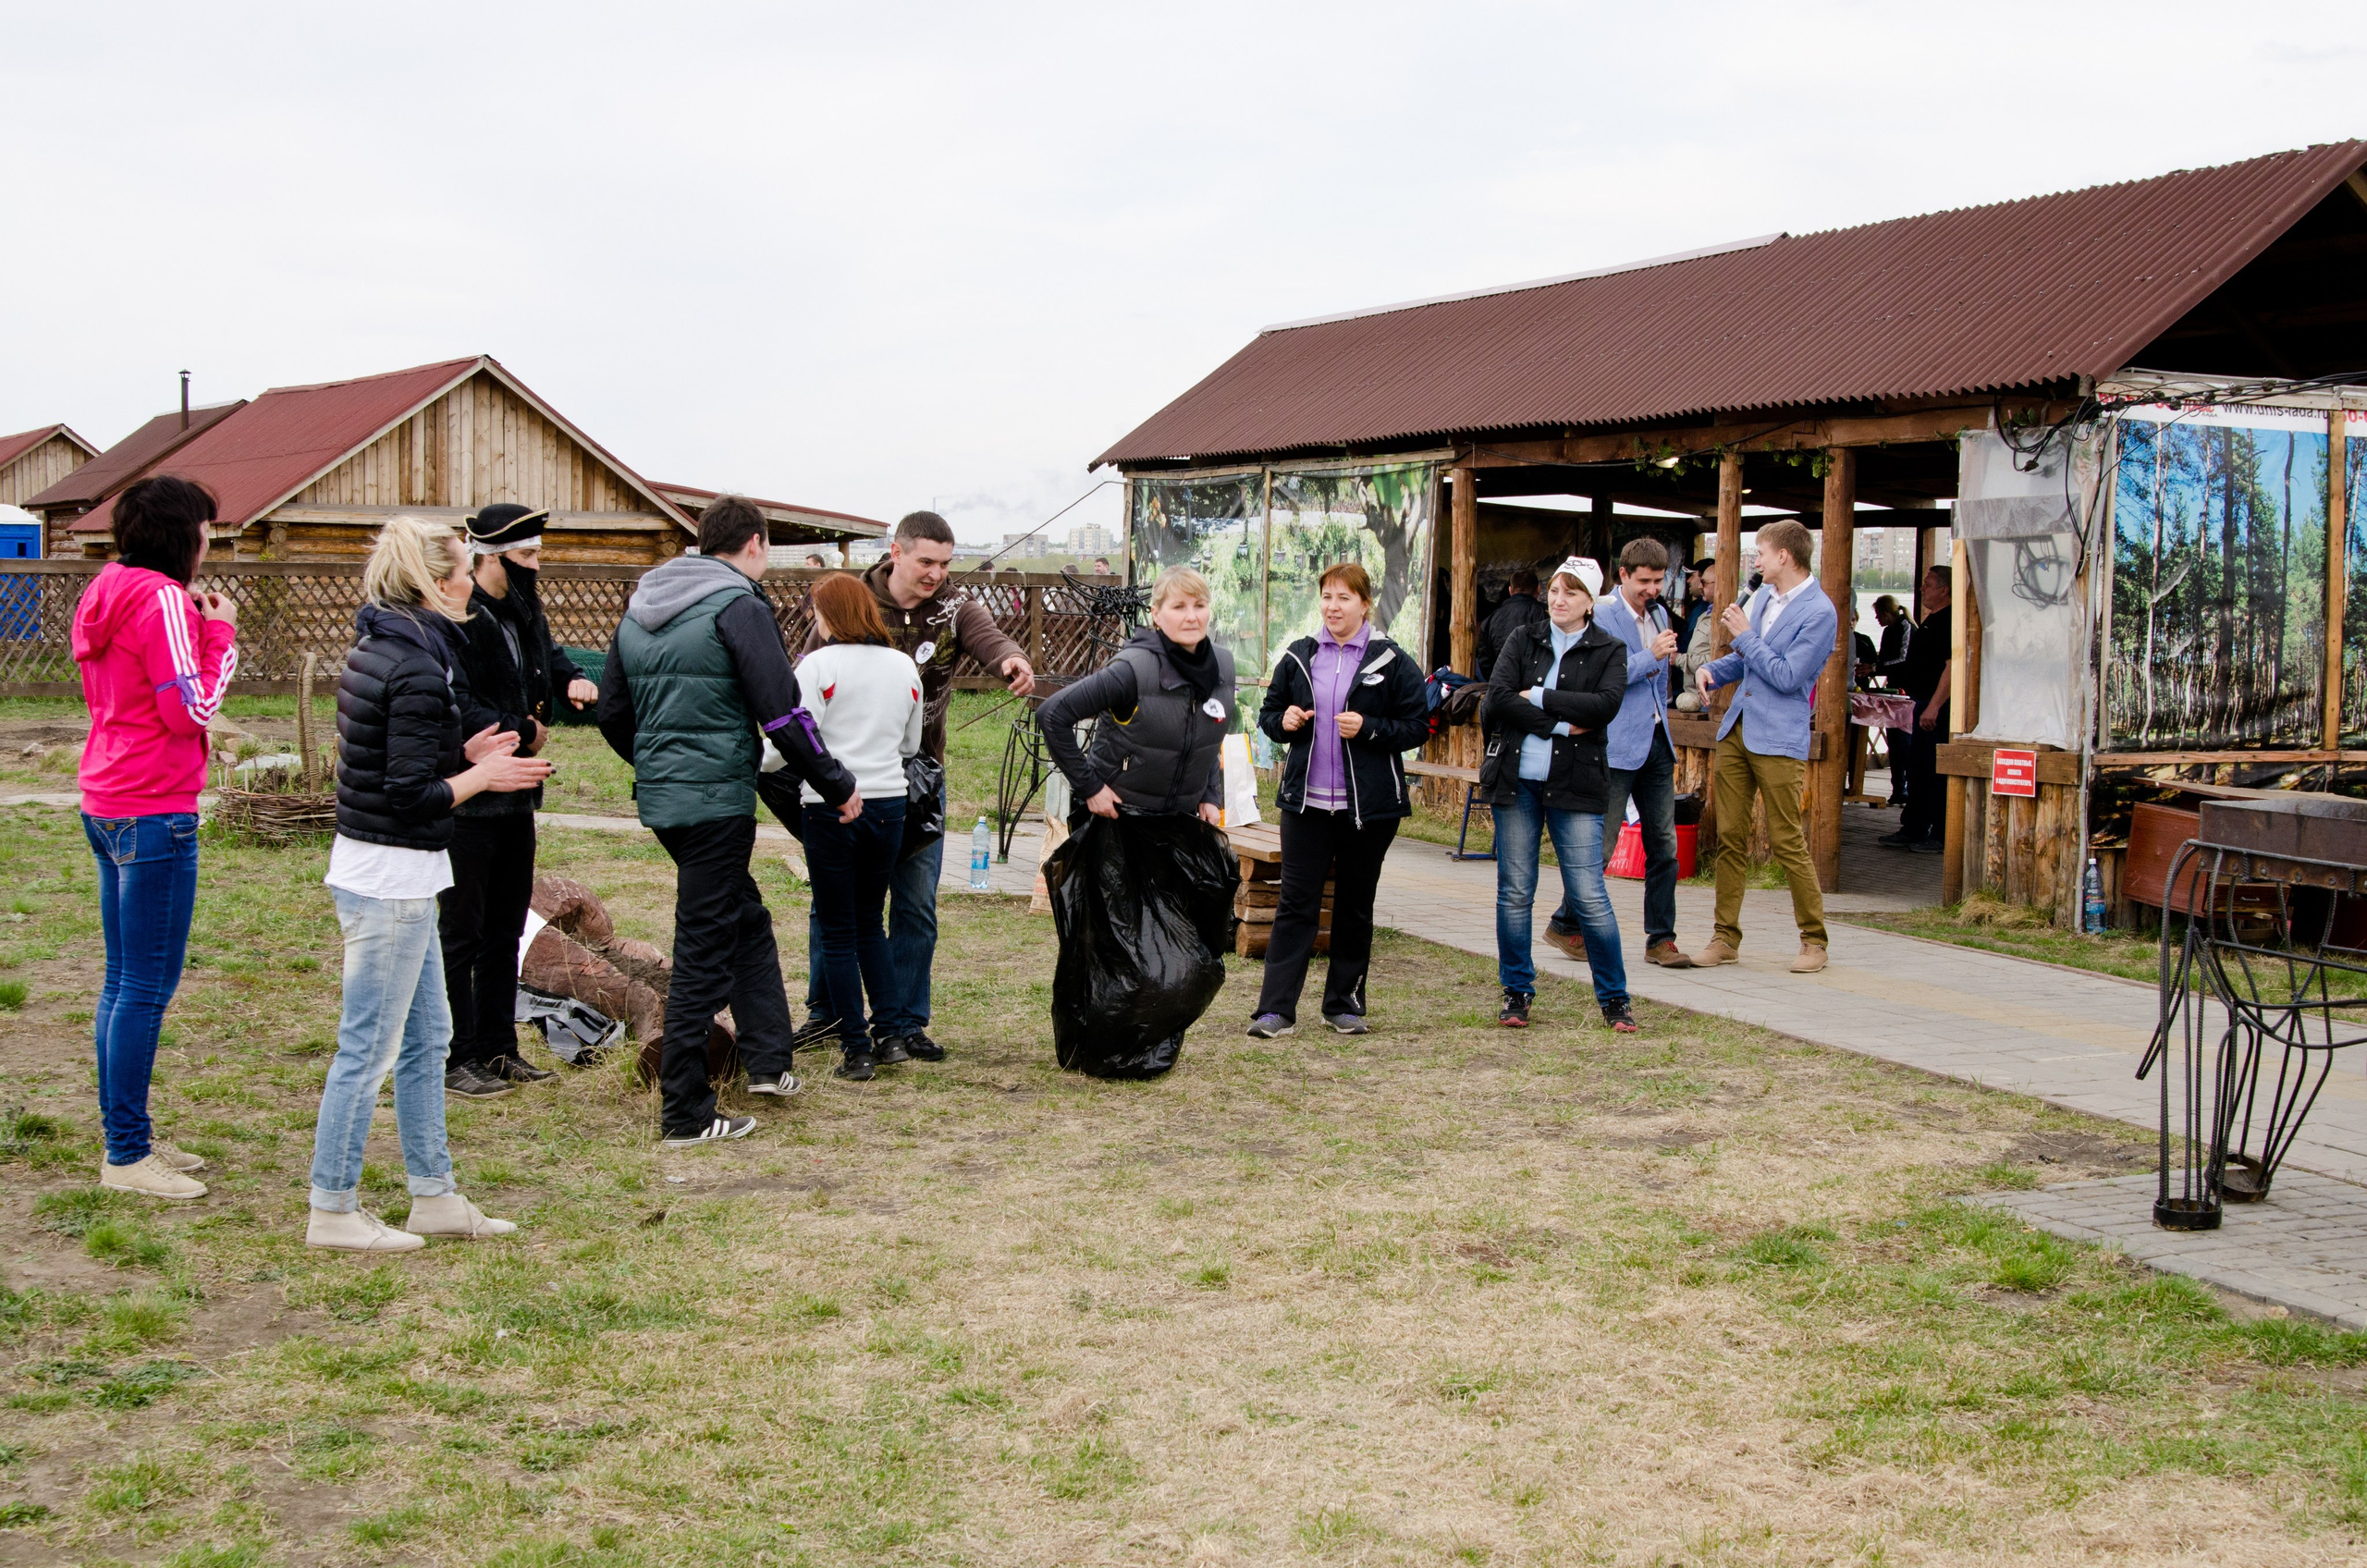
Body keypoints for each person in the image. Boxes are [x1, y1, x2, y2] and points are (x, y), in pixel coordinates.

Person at [308, 515, 549, 1251]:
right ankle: (333, 1208)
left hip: (393, 871)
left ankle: (434, 1197)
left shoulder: (389, 647)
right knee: (369, 1050)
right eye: (462, 573)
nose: (471, 584)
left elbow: (395, 759)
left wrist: (461, 751)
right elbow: (410, 793)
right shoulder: (414, 665)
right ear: (433, 583)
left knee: (427, 1040)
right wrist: (484, 775)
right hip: (390, 879)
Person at [598, 496, 859, 1144]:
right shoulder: (738, 604)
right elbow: (783, 711)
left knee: (742, 916)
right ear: (755, 543)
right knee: (703, 949)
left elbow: (612, 712)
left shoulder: (642, 607)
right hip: (716, 802)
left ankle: (769, 1060)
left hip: (667, 802)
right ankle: (685, 1110)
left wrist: (660, 765)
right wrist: (835, 783)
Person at [788, 510, 1033, 1063]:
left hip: (918, 780)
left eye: (945, 564)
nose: (936, 574)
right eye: (926, 561)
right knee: (834, 904)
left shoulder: (954, 606)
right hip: (842, 784)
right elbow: (805, 679)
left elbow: (989, 638)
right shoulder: (850, 601)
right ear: (895, 552)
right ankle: (828, 1014)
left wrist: (1011, 660)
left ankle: (903, 1023)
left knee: (915, 904)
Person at [71, 474, 239, 1200]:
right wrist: (222, 633)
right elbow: (190, 709)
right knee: (144, 987)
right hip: (154, 806)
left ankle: (127, 1131)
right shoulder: (164, 598)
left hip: (108, 797)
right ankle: (128, 1155)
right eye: (205, 528)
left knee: (122, 982)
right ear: (182, 533)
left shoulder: (107, 588)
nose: (209, 540)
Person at [436, 504, 599, 1100]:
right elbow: (457, 703)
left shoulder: (526, 611)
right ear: (490, 556)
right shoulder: (458, 615)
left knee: (506, 930)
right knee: (462, 933)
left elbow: (549, 660)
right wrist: (524, 730)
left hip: (517, 795)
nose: (534, 565)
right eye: (525, 555)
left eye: (536, 554)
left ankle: (499, 1047)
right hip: (469, 798)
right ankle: (456, 1056)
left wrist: (572, 678)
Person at [1245, 563, 1429, 1038]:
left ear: (1365, 604)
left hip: (1368, 810)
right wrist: (1283, 721)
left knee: (1354, 905)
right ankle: (1275, 1011)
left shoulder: (1391, 660)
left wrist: (1369, 728)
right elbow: (1269, 714)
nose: (1333, 606)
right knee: (1295, 904)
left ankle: (1343, 1005)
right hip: (1306, 805)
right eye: (1327, 596)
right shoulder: (1299, 654)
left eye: (1344, 597)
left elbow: (1417, 726)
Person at [1482, 563, 1633, 1031]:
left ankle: (1615, 999)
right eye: (1553, 590)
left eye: (1571, 592)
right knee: (1515, 892)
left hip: (1576, 783)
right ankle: (1516, 992)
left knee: (1588, 893)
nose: (1559, 599)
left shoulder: (1610, 648)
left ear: (1591, 601)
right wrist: (1563, 726)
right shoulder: (1523, 638)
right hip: (1517, 779)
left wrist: (1538, 696)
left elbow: (1604, 706)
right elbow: (1499, 696)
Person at [1688, 518, 1840, 974]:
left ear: (1784, 557)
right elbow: (1749, 661)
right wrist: (1713, 669)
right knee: (1729, 837)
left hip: (1778, 736)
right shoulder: (1766, 598)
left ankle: (1814, 941)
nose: (1756, 561)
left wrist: (1746, 636)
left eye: (1761, 553)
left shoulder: (1820, 612)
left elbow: (1787, 675)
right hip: (1737, 729)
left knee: (1786, 840)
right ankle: (1724, 938)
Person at [793, 574, 924, 1081]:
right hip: (889, 802)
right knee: (871, 921)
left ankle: (855, 1048)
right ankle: (889, 1035)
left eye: (817, 612)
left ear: (830, 615)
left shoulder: (818, 665)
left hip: (830, 804)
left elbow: (798, 735)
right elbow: (911, 744)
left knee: (837, 930)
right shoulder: (903, 665)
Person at [1035, 565, 1234, 825]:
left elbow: (1205, 736)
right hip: (1116, 818)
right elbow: (1052, 714)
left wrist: (1209, 793)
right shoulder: (1132, 670)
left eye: (1199, 606)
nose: (1191, 617)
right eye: (1178, 607)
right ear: (1156, 615)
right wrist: (1090, 787)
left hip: (1180, 821)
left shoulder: (1222, 666)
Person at [1576, 537, 1693, 971]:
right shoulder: (1602, 614)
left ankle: (1661, 938)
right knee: (1602, 844)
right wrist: (1650, 656)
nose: (1652, 590)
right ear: (1622, 574)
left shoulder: (1660, 613)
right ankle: (1568, 923)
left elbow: (1659, 681)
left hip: (1657, 741)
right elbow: (1602, 677)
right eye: (1644, 581)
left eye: (1659, 581)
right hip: (1617, 744)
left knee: (1664, 844)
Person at [1879, 566, 1953, 851]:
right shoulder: (1931, 620)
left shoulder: (1948, 621)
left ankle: (1940, 833)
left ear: (1944, 590)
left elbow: (1951, 667)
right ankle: (1914, 826)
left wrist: (1934, 706)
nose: (1922, 588)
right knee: (1918, 767)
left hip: (1936, 706)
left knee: (1935, 771)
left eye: (1928, 584)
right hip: (1920, 701)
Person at [1476, 565, 1547, 680]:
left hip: (1502, 682)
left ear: (1510, 590)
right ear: (1538, 589)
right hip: (1535, 683)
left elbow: (1485, 662)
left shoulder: (1490, 619)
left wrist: (1499, 681)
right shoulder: (1544, 615)